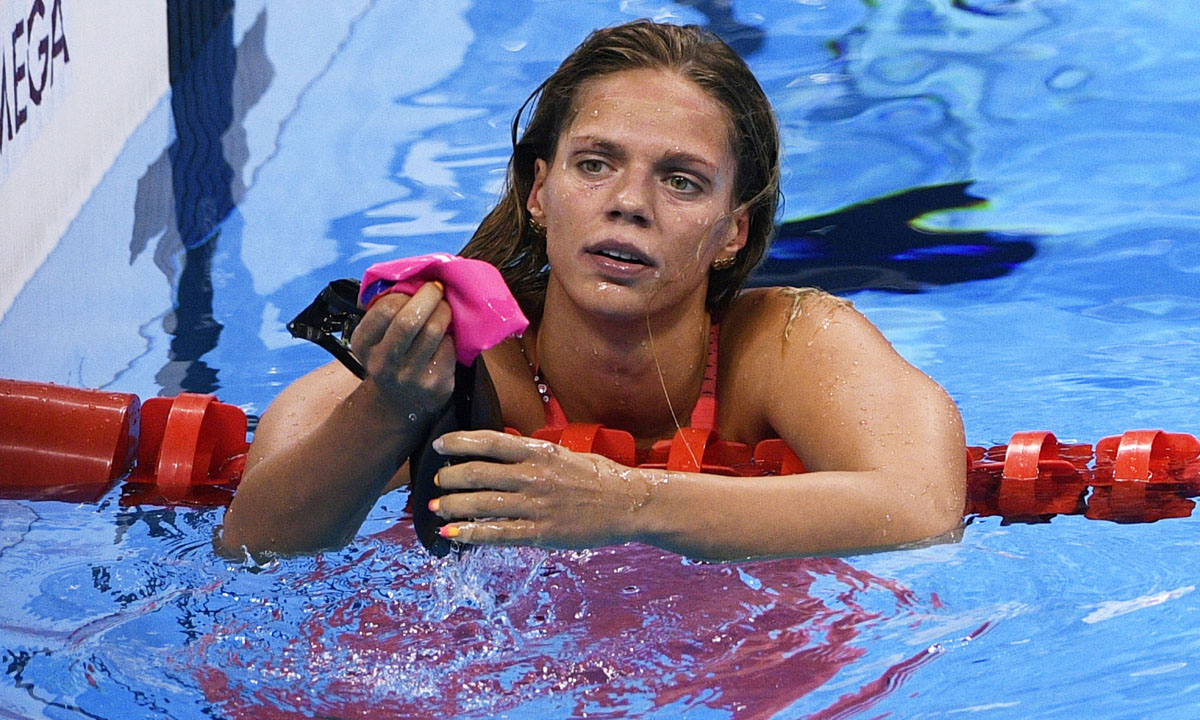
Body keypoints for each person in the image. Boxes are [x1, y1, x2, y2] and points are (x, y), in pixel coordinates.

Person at [220, 20, 965, 561]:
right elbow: (254, 543)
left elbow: (923, 507)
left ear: (732, 231)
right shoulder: (467, 360)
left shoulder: (787, 346)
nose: (630, 202)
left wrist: (630, 504)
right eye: (595, 164)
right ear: (539, 190)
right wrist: (392, 407)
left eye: (681, 181)